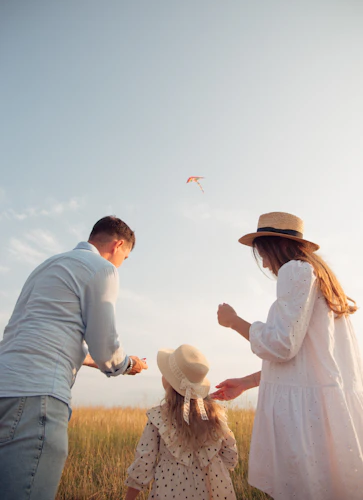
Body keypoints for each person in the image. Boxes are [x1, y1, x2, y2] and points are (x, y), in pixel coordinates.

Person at [212, 211, 363, 500]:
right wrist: (246, 382)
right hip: (319, 410)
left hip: (303, 419)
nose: (265, 263)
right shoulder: (317, 278)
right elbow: (306, 360)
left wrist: (234, 321)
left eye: (262, 254)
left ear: (273, 246)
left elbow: (283, 344)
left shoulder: (294, 270)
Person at [0, 215, 148, 500]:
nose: (121, 264)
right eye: (125, 258)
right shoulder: (102, 269)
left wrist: (96, 361)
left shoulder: (46, 266)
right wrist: (128, 364)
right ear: (118, 246)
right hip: (37, 397)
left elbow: (46, 339)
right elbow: (106, 349)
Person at [124, 344, 238, 500]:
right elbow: (230, 455)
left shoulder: (158, 416)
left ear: (171, 383)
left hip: (170, 489)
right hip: (213, 489)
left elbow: (144, 462)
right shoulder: (216, 415)